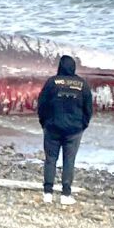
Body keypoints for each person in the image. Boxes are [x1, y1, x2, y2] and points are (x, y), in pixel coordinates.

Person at [37, 54, 93, 206]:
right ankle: (65, 194)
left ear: (60, 66)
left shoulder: (52, 82)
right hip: (74, 130)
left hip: (52, 128)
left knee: (50, 159)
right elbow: (88, 108)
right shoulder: (82, 85)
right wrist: (83, 125)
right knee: (69, 161)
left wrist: (44, 123)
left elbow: (41, 104)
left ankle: (47, 193)